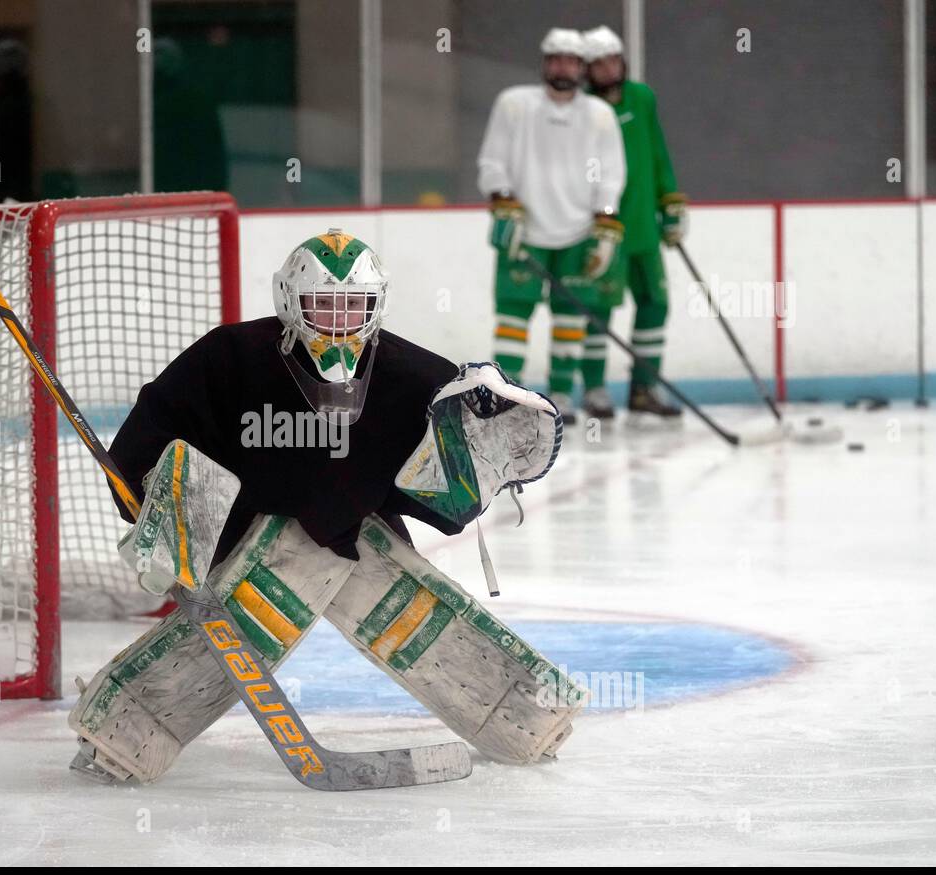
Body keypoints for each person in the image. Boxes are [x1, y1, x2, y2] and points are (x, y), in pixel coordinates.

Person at [67, 230, 583, 784]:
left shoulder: (410, 375)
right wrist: (164, 514)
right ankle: (119, 734)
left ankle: (528, 718)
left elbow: (445, 486)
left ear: (375, 304)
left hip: (353, 538)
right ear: (292, 300)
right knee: (268, 596)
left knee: (399, 605)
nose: (339, 318)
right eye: (324, 303)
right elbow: (150, 432)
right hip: (241, 539)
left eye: (353, 304)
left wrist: (489, 437)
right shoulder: (232, 357)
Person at [476, 27, 626, 425]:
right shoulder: (514, 104)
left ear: (581, 67)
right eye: (555, 58)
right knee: (513, 313)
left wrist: (606, 220)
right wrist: (502, 201)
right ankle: (508, 393)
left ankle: (561, 393)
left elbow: (612, 174)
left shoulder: (599, 114)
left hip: (578, 232)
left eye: (571, 60)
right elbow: (493, 161)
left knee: (570, 317)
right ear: (545, 62)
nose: (563, 66)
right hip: (525, 229)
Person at [580, 25, 686, 421]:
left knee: (655, 303)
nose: (608, 69)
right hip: (606, 229)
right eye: (599, 64)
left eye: (613, 60)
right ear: (588, 70)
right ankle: (594, 389)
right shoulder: (585, 110)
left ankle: (644, 388)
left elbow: (657, 152)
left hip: (645, 227)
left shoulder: (641, 98)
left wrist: (670, 201)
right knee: (600, 309)